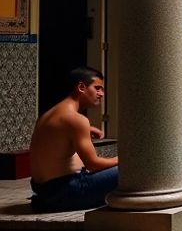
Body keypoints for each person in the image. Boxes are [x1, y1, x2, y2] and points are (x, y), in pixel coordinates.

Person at [29, 66, 119, 212]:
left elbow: (57, 135)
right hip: (68, 192)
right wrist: (123, 160)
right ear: (81, 87)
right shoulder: (76, 120)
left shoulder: (48, 115)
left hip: (43, 192)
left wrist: (87, 128)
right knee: (133, 169)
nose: (101, 94)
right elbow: (93, 164)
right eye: (97, 88)